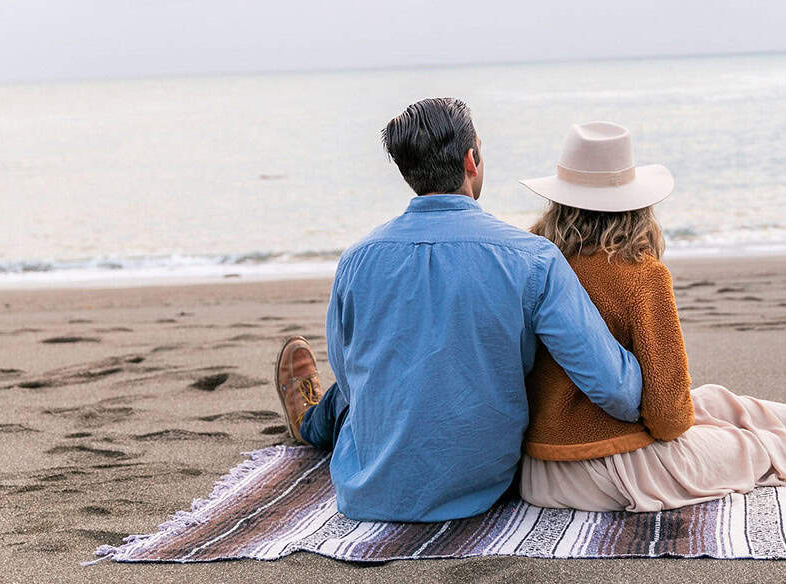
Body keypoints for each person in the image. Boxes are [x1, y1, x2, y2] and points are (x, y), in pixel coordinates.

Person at [272, 98, 644, 522]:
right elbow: (618, 393)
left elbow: (355, 384)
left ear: (407, 171)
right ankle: (311, 422)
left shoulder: (356, 259)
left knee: (351, 391)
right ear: (472, 159)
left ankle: (309, 424)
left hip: (367, 491)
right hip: (483, 487)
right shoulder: (533, 258)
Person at [517, 121, 786, 512]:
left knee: (716, 401)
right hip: (613, 473)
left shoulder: (533, 262)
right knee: (755, 445)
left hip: (539, 469)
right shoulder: (640, 275)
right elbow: (669, 419)